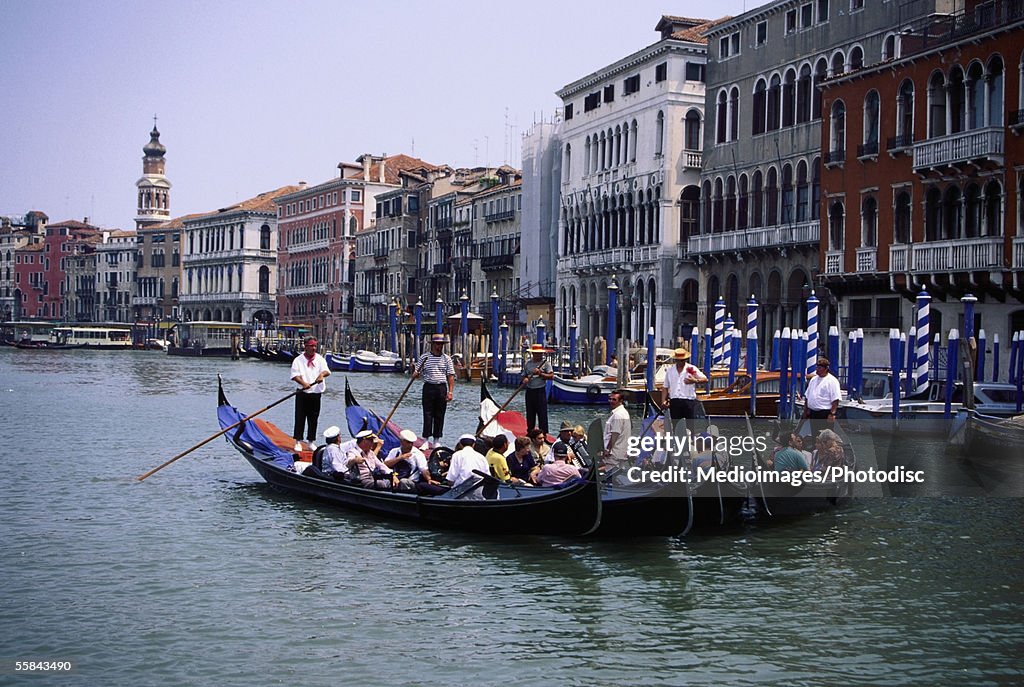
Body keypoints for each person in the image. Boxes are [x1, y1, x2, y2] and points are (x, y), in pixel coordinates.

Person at [413, 334, 456, 445]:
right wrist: (415, 374)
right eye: (437, 344)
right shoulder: (425, 357)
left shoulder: (447, 359)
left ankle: (437, 439)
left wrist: (450, 392)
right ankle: (426, 439)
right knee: (427, 413)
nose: (439, 346)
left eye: (441, 344)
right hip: (428, 387)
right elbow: (417, 372)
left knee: (440, 414)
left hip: (441, 387)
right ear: (433, 344)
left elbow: (451, 376)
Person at [290, 336, 331, 452]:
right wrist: (303, 383)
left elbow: (326, 371)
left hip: (316, 393)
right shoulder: (298, 360)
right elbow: (294, 375)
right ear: (305, 346)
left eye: (315, 346)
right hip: (302, 393)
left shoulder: (320, 359)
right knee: (300, 417)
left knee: (313, 418)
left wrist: (321, 375)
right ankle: (298, 441)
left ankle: (311, 441)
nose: (313, 348)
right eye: (311, 346)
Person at [383, 429, 444, 495]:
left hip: (411, 482)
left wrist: (429, 479)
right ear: (402, 441)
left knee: (403, 482)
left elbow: (424, 469)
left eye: (411, 443)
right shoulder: (394, 451)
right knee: (384, 482)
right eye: (408, 442)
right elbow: (385, 465)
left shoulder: (417, 454)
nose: (410, 445)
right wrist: (399, 458)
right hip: (395, 478)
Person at [661, 347, 707, 428]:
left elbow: (705, 379)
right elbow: (665, 387)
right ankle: (678, 439)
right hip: (675, 401)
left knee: (690, 425)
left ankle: (690, 439)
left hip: (688, 401)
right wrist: (663, 401)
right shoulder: (670, 370)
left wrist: (695, 380)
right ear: (675, 360)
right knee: (676, 426)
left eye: (682, 360)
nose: (680, 362)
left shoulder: (690, 369)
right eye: (678, 360)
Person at [446, 434, 491, 499]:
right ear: (473, 445)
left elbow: (451, 479)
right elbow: (488, 477)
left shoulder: (457, 455)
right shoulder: (482, 457)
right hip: (479, 492)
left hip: (461, 492)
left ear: (460, 444)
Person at [803, 356, 841, 431]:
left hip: (824, 413)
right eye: (817, 367)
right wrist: (806, 410)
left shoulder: (832, 381)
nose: (817, 370)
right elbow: (807, 396)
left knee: (824, 437)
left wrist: (832, 414)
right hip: (813, 413)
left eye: (820, 368)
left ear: (826, 368)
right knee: (815, 436)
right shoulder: (813, 379)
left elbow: (835, 399)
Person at [522, 343, 554, 434]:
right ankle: (530, 432)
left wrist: (540, 373)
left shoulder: (546, 364)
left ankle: (544, 434)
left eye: (539, 353)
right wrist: (524, 379)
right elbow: (523, 375)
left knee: (542, 414)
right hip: (530, 391)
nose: (538, 355)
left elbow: (551, 376)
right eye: (536, 353)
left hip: (540, 391)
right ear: (533, 354)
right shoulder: (528, 363)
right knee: (530, 413)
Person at [602, 389, 632, 470]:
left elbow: (615, 434)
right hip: (621, 452)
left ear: (621, 401)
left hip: (613, 454)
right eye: (610, 399)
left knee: (610, 476)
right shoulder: (624, 413)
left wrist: (608, 450)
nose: (611, 401)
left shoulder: (617, 415)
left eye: (614, 399)